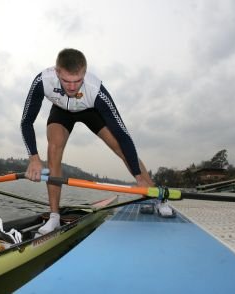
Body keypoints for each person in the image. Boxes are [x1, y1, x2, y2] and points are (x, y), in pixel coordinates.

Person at [21, 48, 155, 235]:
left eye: (77, 81)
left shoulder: (96, 90)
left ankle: (152, 192)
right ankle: (54, 217)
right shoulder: (42, 81)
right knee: (53, 148)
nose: (72, 87)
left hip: (91, 111)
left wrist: (138, 178)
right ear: (57, 71)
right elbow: (26, 121)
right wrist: (33, 158)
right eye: (66, 81)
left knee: (119, 146)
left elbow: (123, 134)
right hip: (61, 111)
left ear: (85, 73)